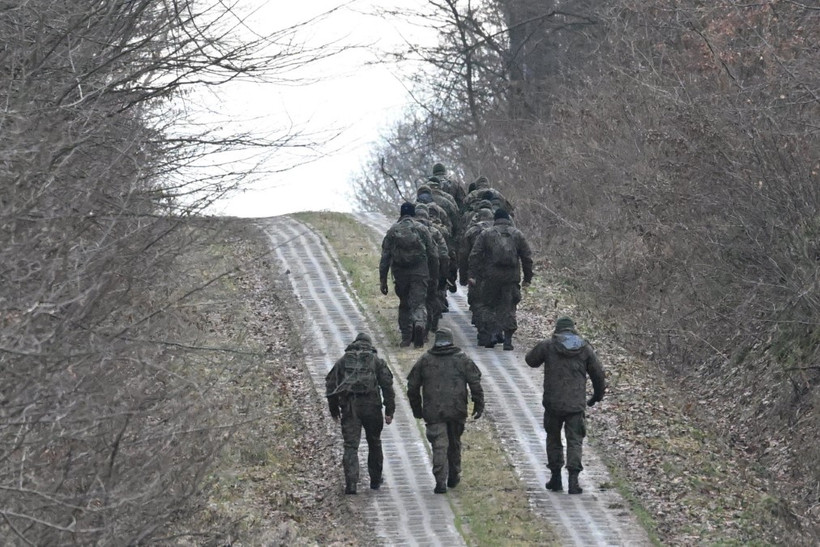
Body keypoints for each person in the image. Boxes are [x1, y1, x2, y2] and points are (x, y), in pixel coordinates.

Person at [524, 317, 606, 495]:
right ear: (573, 329)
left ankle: (555, 478)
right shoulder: (585, 349)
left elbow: (530, 360)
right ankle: (574, 481)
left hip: (553, 403)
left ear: (557, 330)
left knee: (553, 439)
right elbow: (598, 375)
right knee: (575, 440)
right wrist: (597, 396)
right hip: (575, 405)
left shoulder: (548, 346)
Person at [407, 328, 485, 494]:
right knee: (454, 443)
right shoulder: (462, 359)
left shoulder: (425, 360)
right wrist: (478, 404)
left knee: (439, 445)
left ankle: (440, 480)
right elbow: (475, 383)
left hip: (433, 411)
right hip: (457, 410)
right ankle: (454, 475)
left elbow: (412, 387)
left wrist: (417, 409)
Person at [326, 333, 396, 495]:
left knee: (351, 446)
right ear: (369, 345)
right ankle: (375, 480)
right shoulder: (376, 361)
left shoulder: (344, 361)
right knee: (374, 442)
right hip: (372, 407)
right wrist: (389, 411)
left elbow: (330, 384)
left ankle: (351, 484)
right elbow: (387, 387)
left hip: (350, 408)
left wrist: (334, 409)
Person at [468, 208, 533, 350]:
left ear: (495, 219)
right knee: (509, 306)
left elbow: (475, 255)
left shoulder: (486, 234)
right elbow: (527, 258)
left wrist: (472, 275)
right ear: (508, 219)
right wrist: (527, 278)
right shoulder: (517, 234)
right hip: (511, 277)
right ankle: (508, 341)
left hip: (491, 276)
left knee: (490, 305)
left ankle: (492, 334)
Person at [380, 202, 439, 347]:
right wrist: (434, 275)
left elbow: (385, 257)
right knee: (419, 303)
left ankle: (406, 337)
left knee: (404, 303)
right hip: (420, 272)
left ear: (401, 214)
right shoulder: (422, 229)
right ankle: (419, 324)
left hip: (400, 273)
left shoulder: (393, 230)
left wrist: (383, 280)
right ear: (413, 214)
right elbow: (433, 254)